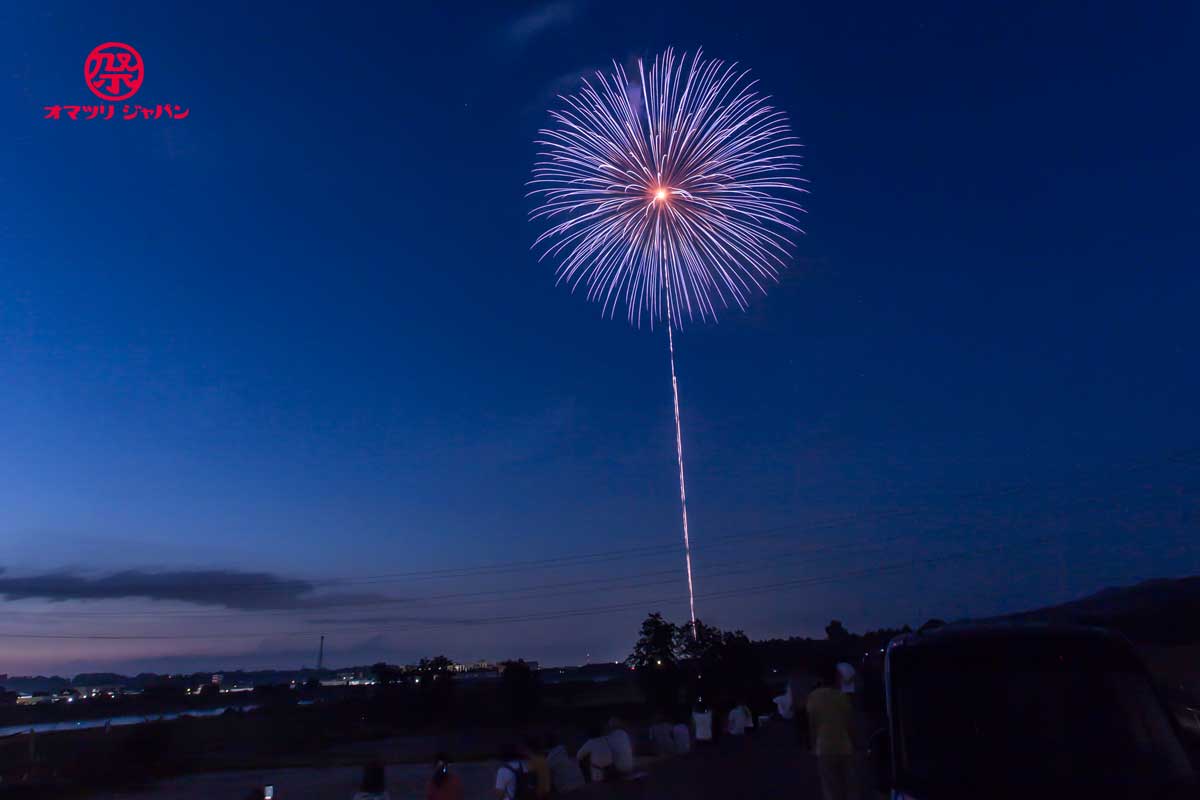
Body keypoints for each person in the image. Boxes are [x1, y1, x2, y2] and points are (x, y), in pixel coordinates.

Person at [806, 664, 857, 800]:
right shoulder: (842, 696)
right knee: (849, 787)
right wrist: (855, 742)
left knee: (830, 789)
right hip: (844, 746)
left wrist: (812, 745)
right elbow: (850, 723)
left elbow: (812, 724)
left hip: (824, 748)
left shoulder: (813, 697)